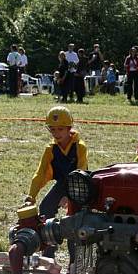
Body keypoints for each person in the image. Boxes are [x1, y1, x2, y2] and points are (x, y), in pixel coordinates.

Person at [25, 106, 88, 258]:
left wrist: (70, 196)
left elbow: (83, 172)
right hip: (62, 184)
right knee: (45, 207)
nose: (56, 133)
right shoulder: (50, 149)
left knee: (74, 218)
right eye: (52, 130)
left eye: (60, 129)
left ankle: (75, 261)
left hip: (79, 186)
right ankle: (48, 255)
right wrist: (31, 196)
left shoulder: (79, 147)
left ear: (69, 128)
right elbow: (40, 173)